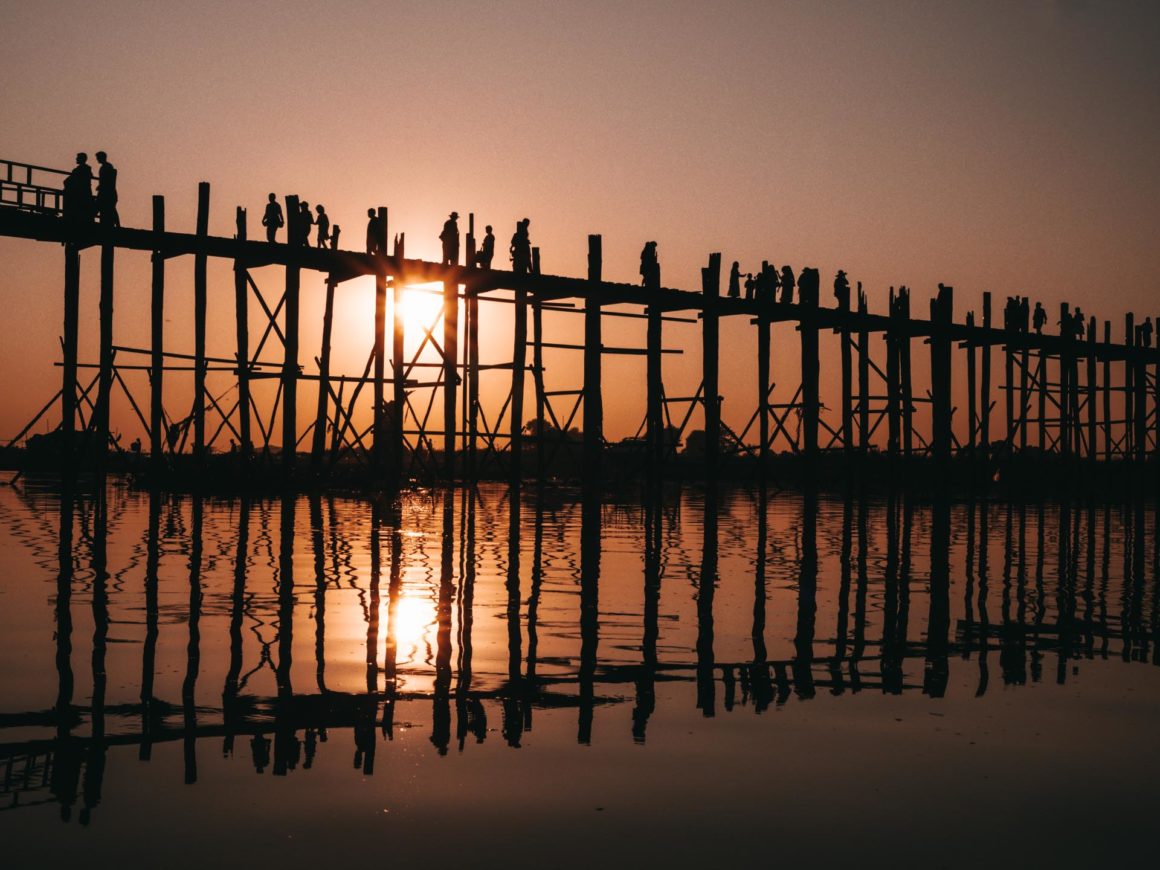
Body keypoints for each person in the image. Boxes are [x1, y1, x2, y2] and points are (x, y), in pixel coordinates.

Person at [62, 152, 94, 224]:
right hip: (84, 194)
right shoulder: (86, 169)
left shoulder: (79, 169)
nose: (76, 159)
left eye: (78, 157)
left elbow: (69, 181)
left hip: (79, 195)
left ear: (81, 159)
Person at [94, 151, 119, 227]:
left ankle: (88, 222)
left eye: (98, 158)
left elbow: (106, 180)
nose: (97, 159)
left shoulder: (106, 167)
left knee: (104, 207)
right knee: (111, 209)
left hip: (106, 193)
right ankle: (118, 225)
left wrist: (100, 186)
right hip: (108, 193)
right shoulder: (107, 166)